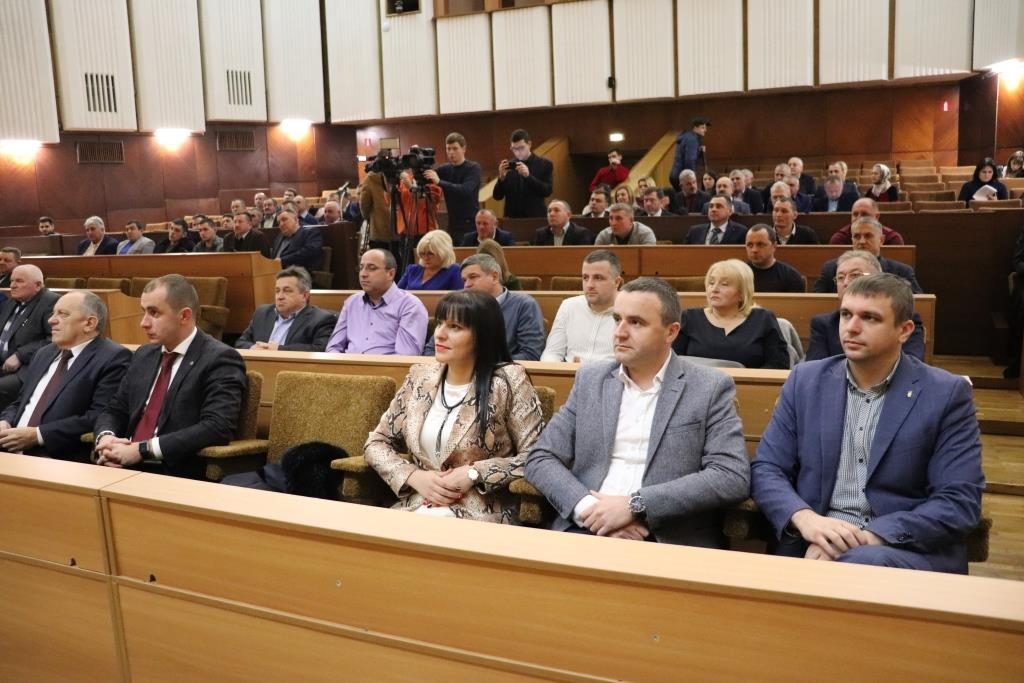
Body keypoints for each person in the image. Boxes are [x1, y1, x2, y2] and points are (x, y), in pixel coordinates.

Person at [751, 274, 984, 573]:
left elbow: (958, 500)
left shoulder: (945, 393)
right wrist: (805, 519)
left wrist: (865, 540)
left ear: (904, 330)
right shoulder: (806, 381)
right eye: (846, 314)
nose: (851, 327)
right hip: (812, 540)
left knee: (857, 564)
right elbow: (768, 468)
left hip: (902, 549)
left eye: (870, 318)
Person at [525, 276, 750, 544]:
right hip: (586, 528)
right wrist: (589, 510)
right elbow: (542, 458)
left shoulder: (709, 387)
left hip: (665, 538)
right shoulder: (591, 380)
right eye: (617, 319)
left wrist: (636, 506)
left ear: (671, 332)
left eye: (636, 322)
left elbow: (731, 475)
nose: (619, 332)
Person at [364, 289, 544, 523]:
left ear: (483, 334)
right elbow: (376, 443)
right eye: (440, 323)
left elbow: (537, 457)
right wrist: (413, 476)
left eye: (455, 327)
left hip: (481, 513)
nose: (439, 334)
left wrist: (475, 473)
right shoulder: (420, 377)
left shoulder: (509, 381)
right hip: (418, 507)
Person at [93, 275, 246, 478]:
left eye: (154, 313)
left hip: (172, 470)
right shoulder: (144, 355)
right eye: (143, 312)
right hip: (121, 463)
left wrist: (143, 450)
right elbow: (115, 409)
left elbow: (217, 427)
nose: (143, 323)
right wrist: (106, 438)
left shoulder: (219, 358)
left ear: (184, 316)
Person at [0, 291, 131, 462]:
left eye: (63, 314)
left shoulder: (113, 357)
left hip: (58, 458)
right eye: (53, 313)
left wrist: (38, 435)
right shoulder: (44, 353)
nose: (51, 320)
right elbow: (21, 401)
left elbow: (99, 415)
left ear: (89, 323)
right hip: (9, 448)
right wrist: (5, 421)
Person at [807, 250, 925, 361]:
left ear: (878, 279)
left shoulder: (902, 319)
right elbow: (816, 370)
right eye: (840, 277)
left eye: (855, 275)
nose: (846, 283)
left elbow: (913, 366)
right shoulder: (823, 324)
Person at [672, 260, 789, 369]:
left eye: (724, 284)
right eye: (711, 283)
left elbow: (779, 365)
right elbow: (673, 363)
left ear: (742, 293)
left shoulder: (763, 319)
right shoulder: (689, 318)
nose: (714, 289)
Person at [423, 255, 544, 361]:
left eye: (473, 277)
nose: (467, 285)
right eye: (464, 280)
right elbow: (430, 350)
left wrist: (479, 366)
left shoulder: (524, 305)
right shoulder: (460, 306)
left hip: (503, 374)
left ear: (494, 277)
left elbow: (530, 354)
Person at [326, 249, 428, 355]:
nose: (363, 274)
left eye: (372, 268)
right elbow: (333, 347)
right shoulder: (352, 302)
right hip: (347, 364)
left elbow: (405, 356)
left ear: (390, 274)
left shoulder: (410, 306)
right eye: (361, 268)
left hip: (386, 365)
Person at [541, 250, 621, 363]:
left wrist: (588, 370)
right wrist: (561, 369)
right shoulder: (569, 306)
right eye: (585, 278)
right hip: (570, 373)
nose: (589, 285)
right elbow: (552, 353)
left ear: (616, 282)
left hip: (612, 374)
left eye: (598, 278)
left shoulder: (630, 311)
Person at [235, 267, 337, 352]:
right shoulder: (262, 313)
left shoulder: (321, 320)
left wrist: (279, 349)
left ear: (304, 295)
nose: (280, 297)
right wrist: (253, 348)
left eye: (287, 291)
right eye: (277, 291)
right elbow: (240, 343)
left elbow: (320, 349)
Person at [0, 266, 60, 408]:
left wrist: (20, 355)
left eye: (19, 281)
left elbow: (54, 340)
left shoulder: (51, 302)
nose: (12, 285)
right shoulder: (12, 301)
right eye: (12, 281)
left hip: (28, 367)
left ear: (38, 285)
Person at [814, 218, 922, 293]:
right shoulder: (831, 268)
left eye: (868, 236)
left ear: (881, 240)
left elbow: (918, 304)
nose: (862, 241)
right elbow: (817, 301)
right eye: (857, 237)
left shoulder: (902, 272)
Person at [423, 132, 481, 240]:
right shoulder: (445, 169)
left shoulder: (473, 168)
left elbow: (465, 190)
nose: (451, 152)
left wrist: (439, 182)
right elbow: (425, 178)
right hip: (453, 223)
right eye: (448, 149)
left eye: (455, 148)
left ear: (463, 149)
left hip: (470, 224)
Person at [493, 129, 553, 218]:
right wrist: (501, 178)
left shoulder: (544, 164)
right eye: (514, 149)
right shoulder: (509, 166)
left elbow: (547, 191)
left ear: (529, 144)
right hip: (512, 219)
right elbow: (497, 196)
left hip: (535, 217)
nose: (518, 152)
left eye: (521, 148)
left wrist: (528, 177)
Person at [745, 225, 806, 293]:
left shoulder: (791, 277)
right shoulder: (740, 274)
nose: (754, 250)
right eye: (750, 245)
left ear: (774, 246)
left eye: (760, 244)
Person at [397, 230, 463, 291]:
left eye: (430, 254)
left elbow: (459, 296)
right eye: (422, 253)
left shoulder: (454, 270)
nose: (426, 258)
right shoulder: (412, 270)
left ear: (443, 253)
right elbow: (396, 293)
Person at [828, 198, 906, 245]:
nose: (858, 218)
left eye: (864, 214)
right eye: (855, 214)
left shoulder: (892, 239)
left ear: (877, 216)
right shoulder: (840, 239)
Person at [669, 117, 710, 190]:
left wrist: (699, 151)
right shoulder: (692, 140)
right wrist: (692, 178)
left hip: (676, 174)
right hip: (682, 176)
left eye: (705, 128)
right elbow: (690, 160)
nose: (705, 130)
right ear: (695, 128)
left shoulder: (688, 137)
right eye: (702, 128)